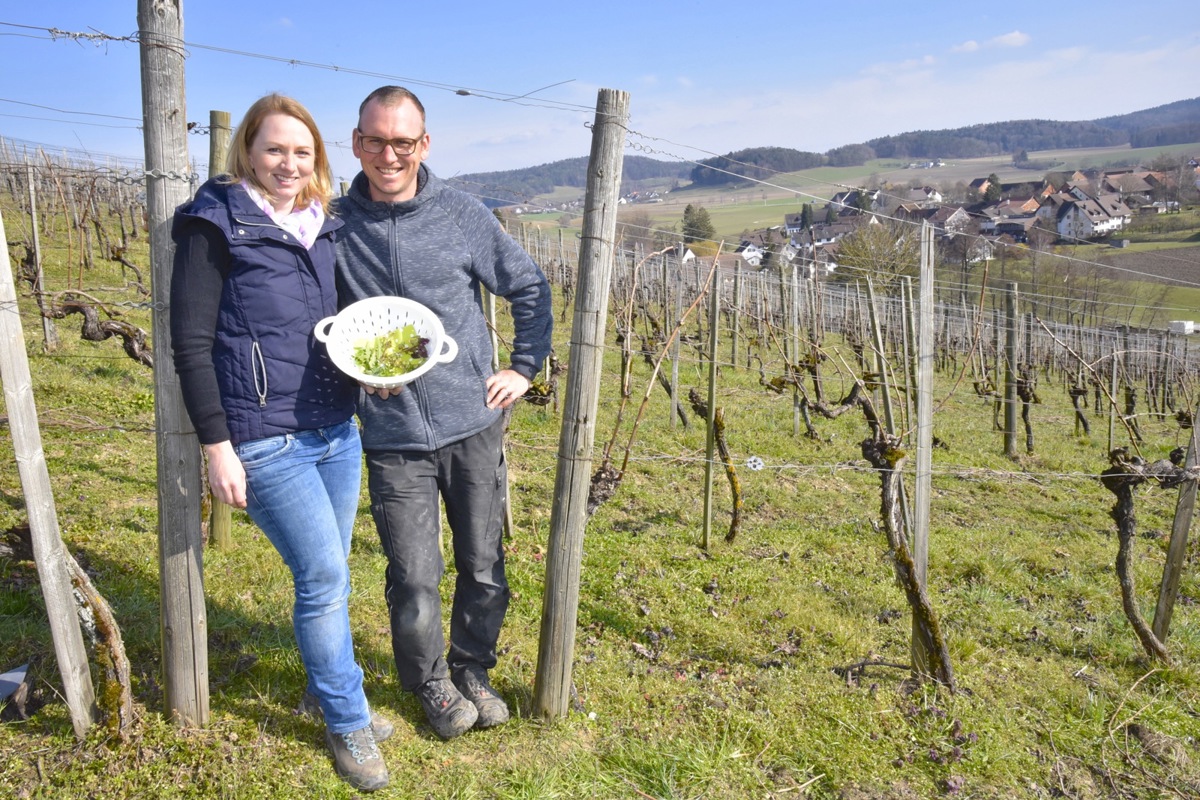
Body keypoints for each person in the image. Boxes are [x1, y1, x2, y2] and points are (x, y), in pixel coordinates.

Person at [170, 93, 390, 791]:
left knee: (331, 576)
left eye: (302, 152)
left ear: (317, 159)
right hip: (265, 439)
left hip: (335, 428)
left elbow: (339, 325)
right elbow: (191, 344)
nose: (288, 163)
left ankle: (331, 694)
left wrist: (374, 371)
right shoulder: (216, 225)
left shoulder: (320, 224)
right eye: (274, 149)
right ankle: (348, 722)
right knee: (323, 577)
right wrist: (217, 446)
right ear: (248, 153)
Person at [334, 85, 552, 740]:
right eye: (375, 140)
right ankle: (430, 682)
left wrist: (524, 367)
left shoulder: (461, 214)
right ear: (357, 143)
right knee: (413, 575)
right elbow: (315, 318)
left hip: (473, 424)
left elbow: (529, 284)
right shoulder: (335, 226)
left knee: (483, 565)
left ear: (423, 144)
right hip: (393, 436)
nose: (388, 154)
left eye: (402, 141)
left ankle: (472, 668)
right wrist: (354, 374)